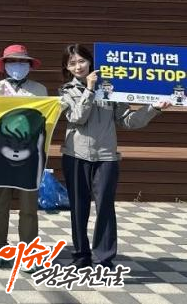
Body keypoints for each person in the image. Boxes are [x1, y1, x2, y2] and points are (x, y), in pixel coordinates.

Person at [60, 44, 171, 269]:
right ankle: (81, 255)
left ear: (90, 62)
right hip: (75, 155)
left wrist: (154, 108)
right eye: (72, 63)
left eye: (81, 61)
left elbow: (127, 120)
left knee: (105, 208)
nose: (78, 66)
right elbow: (77, 117)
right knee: (79, 207)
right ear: (67, 67)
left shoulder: (111, 88)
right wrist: (90, 89)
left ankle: (103, 259)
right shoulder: (66, 91)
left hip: (106, 157)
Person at [0, 44, 47, 273]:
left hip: (30, 155)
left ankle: (28, 250)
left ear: (29, 65)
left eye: (22, 62)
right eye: (12, 62)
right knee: (0, 203)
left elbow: (44, 120)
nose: (17, 66)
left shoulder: (40, 90)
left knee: (29, 206)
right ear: (4, 65)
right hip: (2, 154)